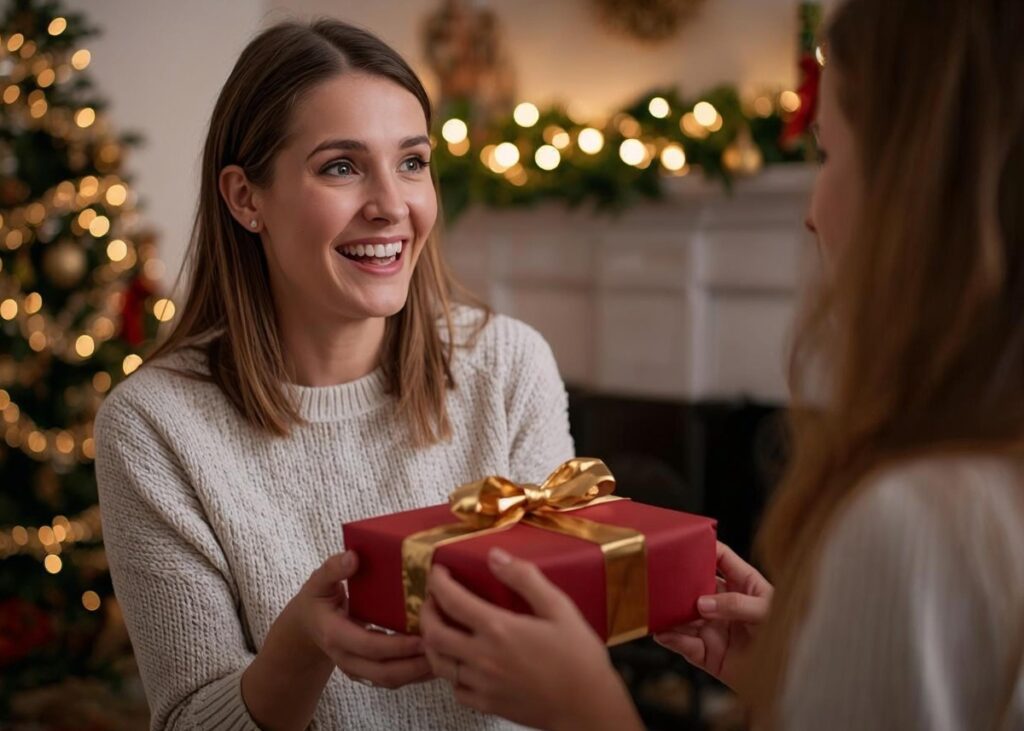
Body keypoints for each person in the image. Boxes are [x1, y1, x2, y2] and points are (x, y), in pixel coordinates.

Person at [419, 0, 1024, 728]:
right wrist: (804, 673)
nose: (810, 210)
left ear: (920, 190)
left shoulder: (919, 521)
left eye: (829, 154)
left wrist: (591, 710)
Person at [94, 19, 573, 731]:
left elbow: (569, 667)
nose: (392, 205)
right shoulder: (154, 425)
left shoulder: (508, 365)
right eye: (341, 166)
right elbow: (191, 721)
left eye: (412, 162)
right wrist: (303, 644)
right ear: (244, 198)